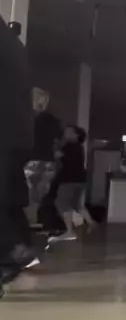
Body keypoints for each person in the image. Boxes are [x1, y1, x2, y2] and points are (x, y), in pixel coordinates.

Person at [49, 125, 96, 243]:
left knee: (61, 203)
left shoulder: (70, 145)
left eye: (68, 131)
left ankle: (69, 232)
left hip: (69, 179)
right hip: (80, 179)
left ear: (76, 134)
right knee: (76, 204)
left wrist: (56, 146)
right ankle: (91, 223)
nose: (65, 133)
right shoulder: (79, 146)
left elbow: (57, 155)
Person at [23, 88, 62, 226]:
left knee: (34, 194)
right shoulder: (52, 120)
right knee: (39, 194)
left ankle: (33, 221)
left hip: (35, 160)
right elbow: (57, 141)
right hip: (45, 160)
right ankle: (35, 221)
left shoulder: (31, 119)